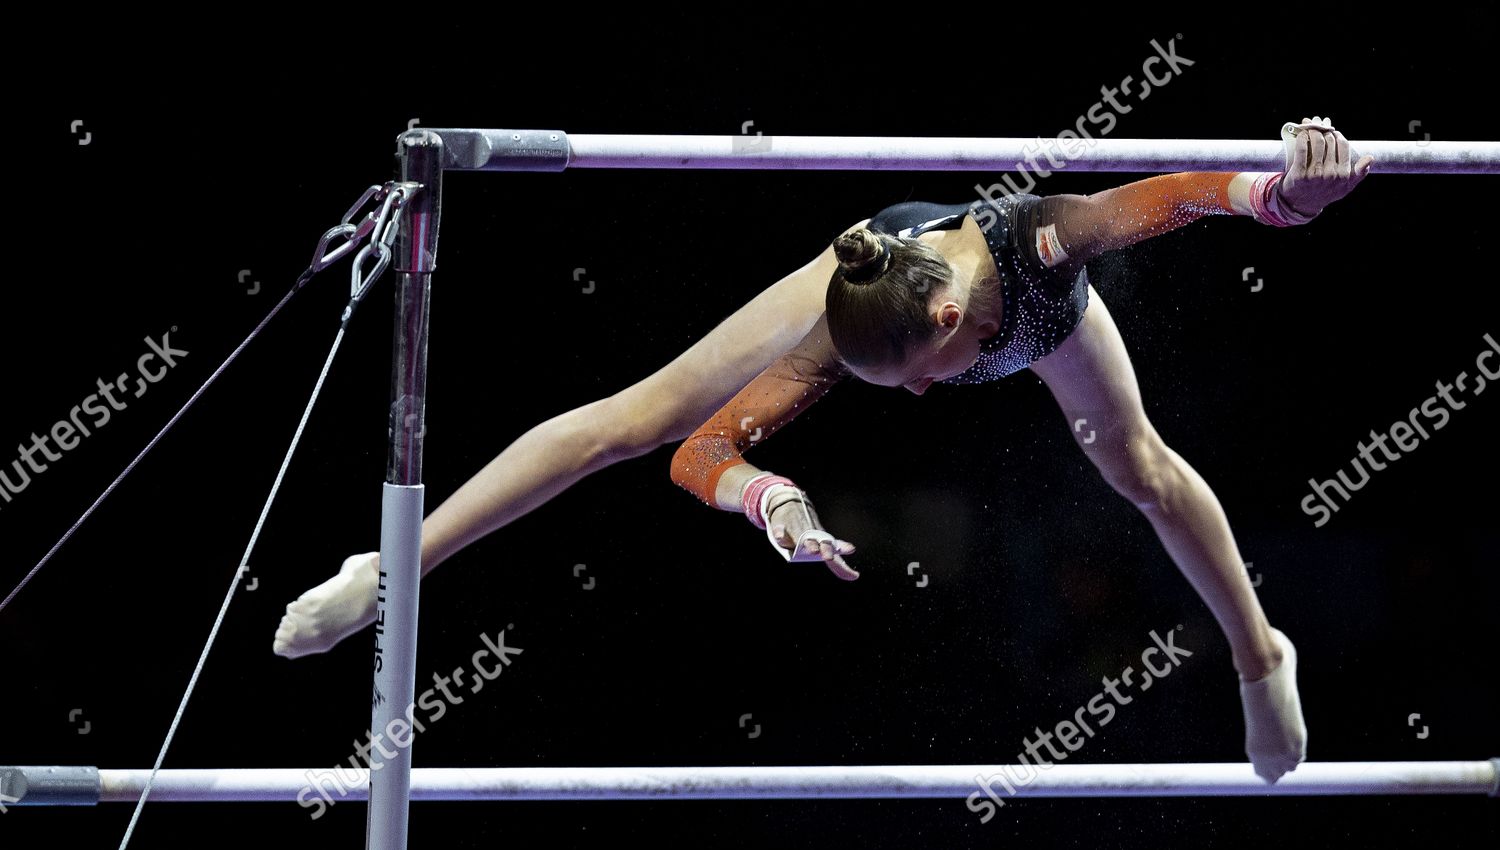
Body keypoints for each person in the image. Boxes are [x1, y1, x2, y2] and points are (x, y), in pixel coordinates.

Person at [275, 117, 1373, 782]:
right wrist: (772, 501)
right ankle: (393, 565)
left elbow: (1168, 197)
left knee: (1139, 467)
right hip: (880, 272)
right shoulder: (842, 339)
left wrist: (1281, 196)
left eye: (922, 380)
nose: (922, 403)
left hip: (1037, 308)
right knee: (635, 418)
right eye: (886, 388)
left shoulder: (1048, 241)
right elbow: (699, 449)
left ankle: (1258, 655)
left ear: (947, 333)